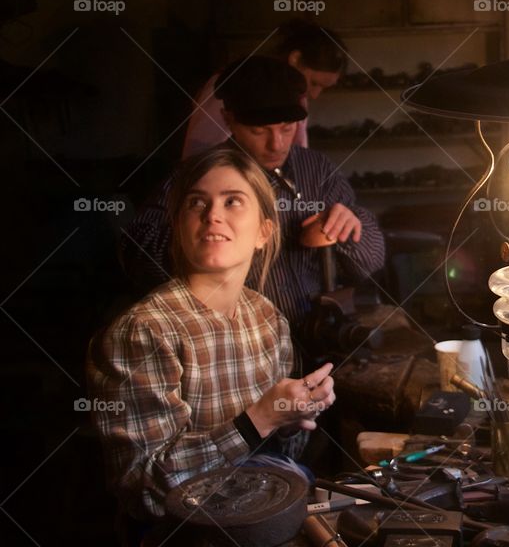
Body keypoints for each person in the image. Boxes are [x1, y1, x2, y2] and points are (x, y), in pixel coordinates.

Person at [88, 148, 336, 525]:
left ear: (263, 232)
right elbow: (142, 491)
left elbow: (284, 455)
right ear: (179, 226)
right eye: (196, 202)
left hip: (260, 519)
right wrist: (257, 420)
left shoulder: (267, 318)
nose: (213, 215)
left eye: (232, 201)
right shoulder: (146, 331)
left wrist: (294, 413)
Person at [122, 56, 385, 346]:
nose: (277, 144)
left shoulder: (317, 171)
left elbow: (369, 264)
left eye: (286, 128)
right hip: (235, 343)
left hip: (317, 336)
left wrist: (349, 227)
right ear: (228, 119)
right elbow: (136, 258)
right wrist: (205, 238)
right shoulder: (196, 177)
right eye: (258, 131)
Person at [182, 19, 346, 159]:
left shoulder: (296, 95)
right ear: (295, 59)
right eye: (314, 83)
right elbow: (197, 153)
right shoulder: (233, 84)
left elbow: (299, 155)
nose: (315, 95)